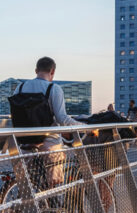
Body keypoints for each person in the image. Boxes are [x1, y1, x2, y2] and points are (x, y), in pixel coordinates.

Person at [9, 57, 83, 188]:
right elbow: (62, 119)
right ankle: (54, 207)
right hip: (49, 142)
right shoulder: (53, 88)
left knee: (27, 185)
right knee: (55, 185)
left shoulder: (20, 87)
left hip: (24, 142)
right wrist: (85, 127)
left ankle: (27, 204)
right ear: (52, 71)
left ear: (36, 70)